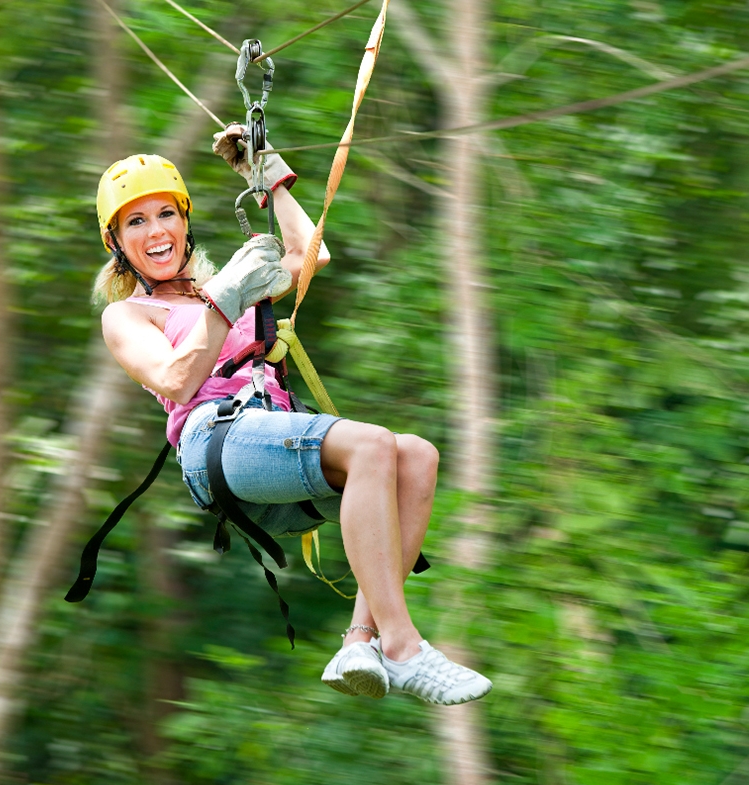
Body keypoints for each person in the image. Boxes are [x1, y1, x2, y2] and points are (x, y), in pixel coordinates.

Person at [92, 127, 490, 705]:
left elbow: (312, 254)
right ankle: (404, 647)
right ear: (117, 243)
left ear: (184, 220)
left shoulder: (228, 282)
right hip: (218, 443)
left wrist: (268, 174)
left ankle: (361, 641)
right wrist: (227, 297)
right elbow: (178, 379)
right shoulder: (129, 316)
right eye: (136, 222)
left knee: (417, 456)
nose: (156, 231)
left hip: (273, 438)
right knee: (373, 444)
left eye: (164, 214)